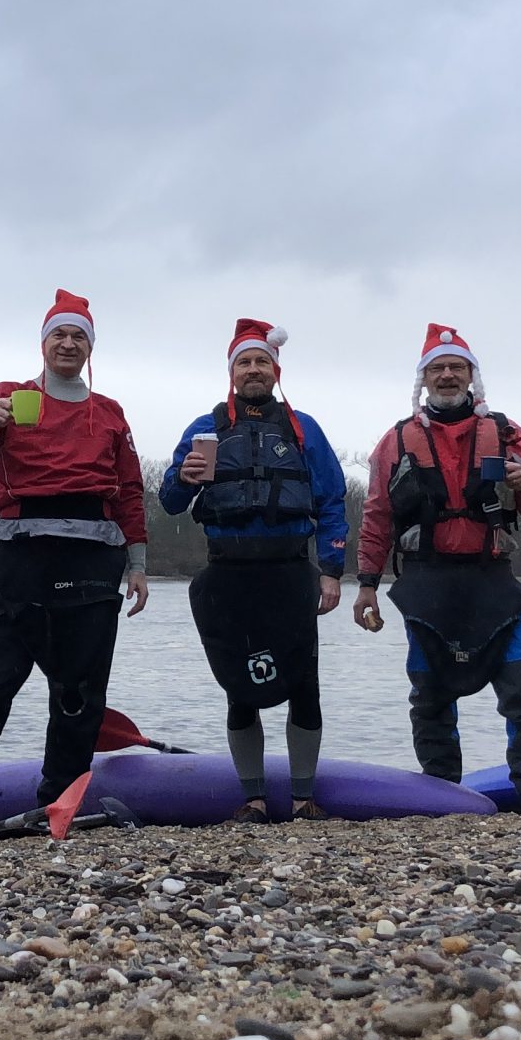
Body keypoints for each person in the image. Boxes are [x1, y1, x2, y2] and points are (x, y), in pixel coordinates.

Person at [0, 291, 149, 836]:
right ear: (44, 343)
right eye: (59, 335)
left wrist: (138, 564)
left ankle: (61, 809)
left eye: (79, 337)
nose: (68, 344)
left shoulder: (110, 413)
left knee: (77, 697)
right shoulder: (9, 398)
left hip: (94, 565)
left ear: (89, 348)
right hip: (21, 561)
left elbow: (130, 494)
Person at [353, 325, 521, 808]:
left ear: (471, 376)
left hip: (493, 580)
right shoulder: (397, 439)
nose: (447, 375)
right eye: (437, 369)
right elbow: (377, 515)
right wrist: (366, 584)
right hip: (426, 583)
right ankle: (444, 795)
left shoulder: (506, 432)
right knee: (430, 697)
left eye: (457, 367)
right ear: (424, 380)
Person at [156, 320, 351, 821]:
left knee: (304, 682)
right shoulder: (207, 428)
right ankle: (254, 799)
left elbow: (331, 500)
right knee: (238, 686)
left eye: (261, 361)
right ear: (232, 372)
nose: (253, 369)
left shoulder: (303, 428)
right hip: (229, 575)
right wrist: (183, 476)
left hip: (290, 573)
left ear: (275, 369)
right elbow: (171, 502)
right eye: (244, 362)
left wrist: (331, 570)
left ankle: (305, 798)